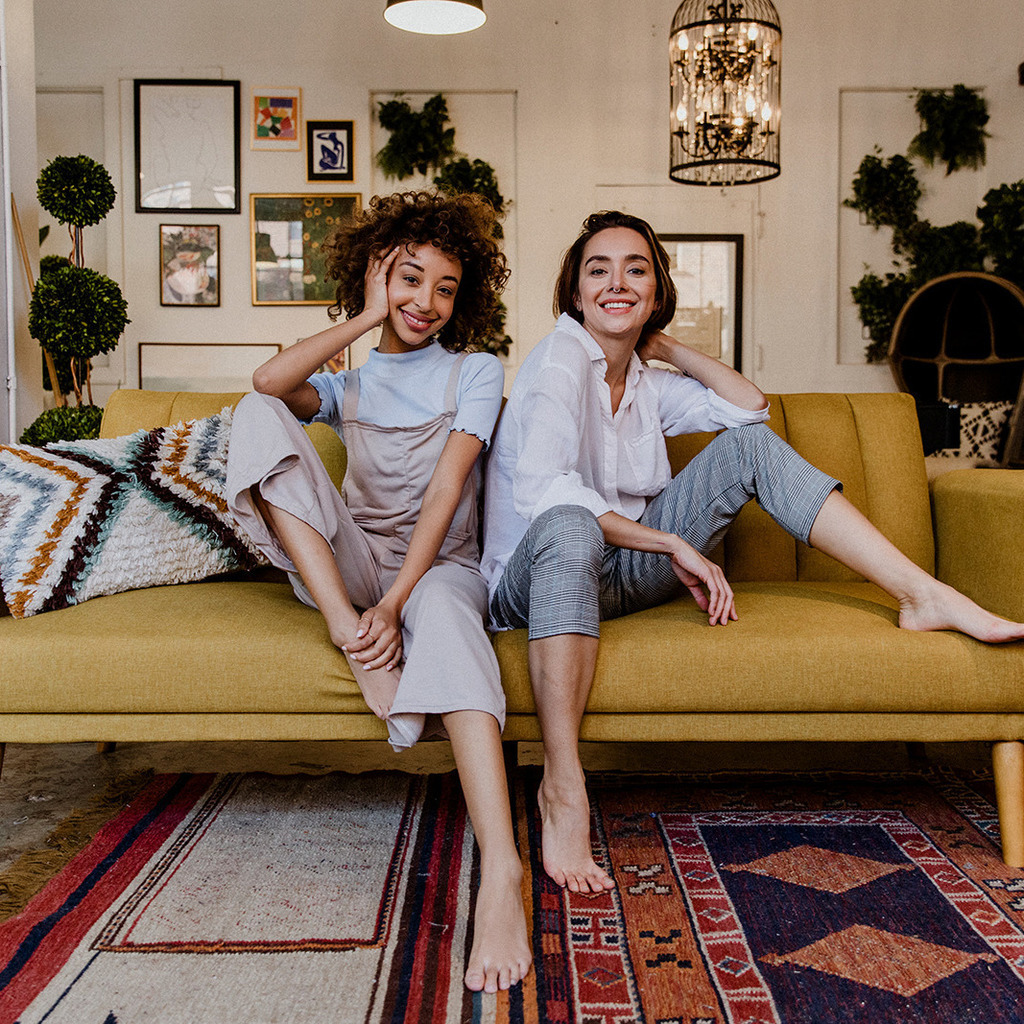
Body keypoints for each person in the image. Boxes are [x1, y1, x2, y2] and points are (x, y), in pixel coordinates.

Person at [480, 209, 1024, 896]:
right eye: (599, 269)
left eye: (636, 269)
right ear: (575, 290)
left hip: (614, 578)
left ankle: (922, 594)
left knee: (747, 451)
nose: (616, 282)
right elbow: (544, 490)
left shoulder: (646, 382)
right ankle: (562, 784)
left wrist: (668, 348)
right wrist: (669, 539)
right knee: (569, 522)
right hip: (535, 583)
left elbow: (751, 411)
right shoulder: (557, 362)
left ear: (655, 291)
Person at [225, 190, 531, 993]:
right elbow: (268, 380)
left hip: (436, 568)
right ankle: (346, 636)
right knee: (254, 415)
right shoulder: (348, 386)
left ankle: (501, 869)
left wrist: (395, 603)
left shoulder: (475, 371)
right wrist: (365, 319)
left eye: (446, 286)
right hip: (353, 565)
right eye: (409, 278)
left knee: (454, 628)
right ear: (374, 275)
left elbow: (444, 495)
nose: (426, 302)